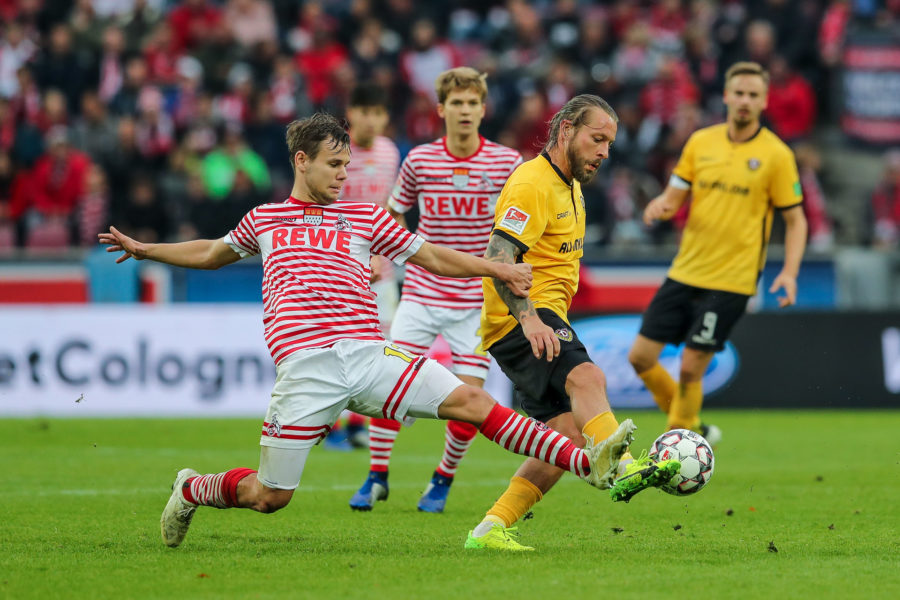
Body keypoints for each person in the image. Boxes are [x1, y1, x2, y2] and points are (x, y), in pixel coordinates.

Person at [98, 112, 636, 549]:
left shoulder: (363, 217)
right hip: (306, 368)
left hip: (370, 355)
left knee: (473, 402)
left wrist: (496, 268)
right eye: (333, 165)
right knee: (269, 496)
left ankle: (592, 463)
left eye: (347, 165)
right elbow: (212, 253)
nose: (342, 175)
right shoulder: (263, 220)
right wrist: (147, 250)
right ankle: (194, 487)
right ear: (301, 160)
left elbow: (432, 257)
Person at [464, 95, 681, 552]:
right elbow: (498, 258)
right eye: (596, 139)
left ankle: (489, 530)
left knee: (563, 440)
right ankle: (622, 468)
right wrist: (527, 319)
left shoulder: (572, 187)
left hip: (538, 318)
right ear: (565, 131)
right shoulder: (532, 183)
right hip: (522, 316)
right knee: (588, 375)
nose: (604, 151)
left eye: (610, 144)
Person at [349, 67, 524, 514]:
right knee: (390, 384)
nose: (465, 110)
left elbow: (523, 223)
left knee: (471, 398)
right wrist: (393, 255)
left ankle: (442, 481)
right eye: (457, 103)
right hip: (422, 295)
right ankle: (377, 475)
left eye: (472, 103)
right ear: (441, 109)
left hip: (477, 301)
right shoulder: (420, 160)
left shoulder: (506, 163)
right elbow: (393, 213)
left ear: (483, 110)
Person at [628, 61, 808, 446]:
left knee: (692, 368)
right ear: (726, 96)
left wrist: (789, 272)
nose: (744, 101)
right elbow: (675, 196)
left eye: (753, 95)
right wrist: (661, 204)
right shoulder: (700, 143)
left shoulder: (776, 155)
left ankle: (672, 451)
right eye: (739, 93)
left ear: (764, 101)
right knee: (640, 358)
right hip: (685, 270)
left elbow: (796, 221)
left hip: (732, 280)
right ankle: (689, 425)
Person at [322, 82, 401, 451]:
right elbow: (325, 210)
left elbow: (390, 208)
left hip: (380, 267)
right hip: (339, 265)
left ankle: (354, 423)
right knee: (340, 345)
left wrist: (390, 251)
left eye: (378, 112)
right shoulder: (335, 151)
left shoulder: (389, 152)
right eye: (364, 111)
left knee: (382, 344)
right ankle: (331, 423)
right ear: (350, 113)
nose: (371, 120)